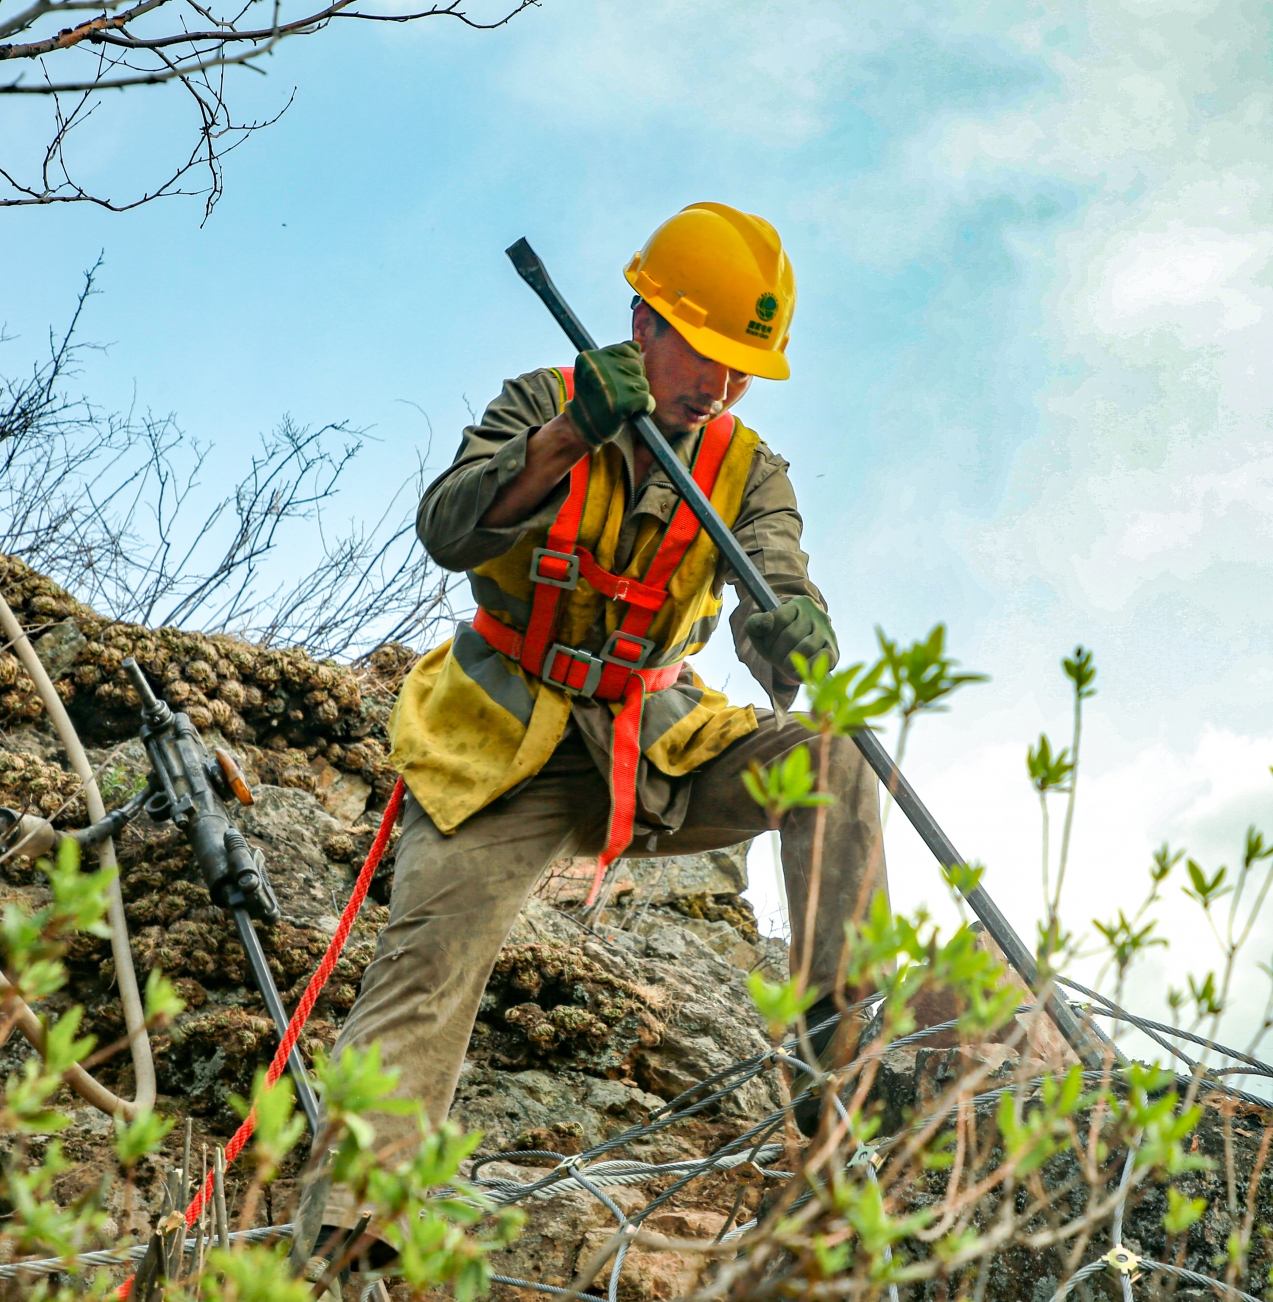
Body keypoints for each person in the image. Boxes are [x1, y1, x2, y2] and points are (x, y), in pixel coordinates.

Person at [307, 201, 887, 1246]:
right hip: (499, 739)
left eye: (740, 366)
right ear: (642, 323)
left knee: (833, 762)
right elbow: (446, 530)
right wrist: (567, 436)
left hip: (653, 740)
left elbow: (781, 592)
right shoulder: (545, 398)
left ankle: (833, 1064)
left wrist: (793, 631)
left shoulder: (751, 472)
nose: (718, 384)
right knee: (423, 968)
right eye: (703, 353)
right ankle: (355, 1233)